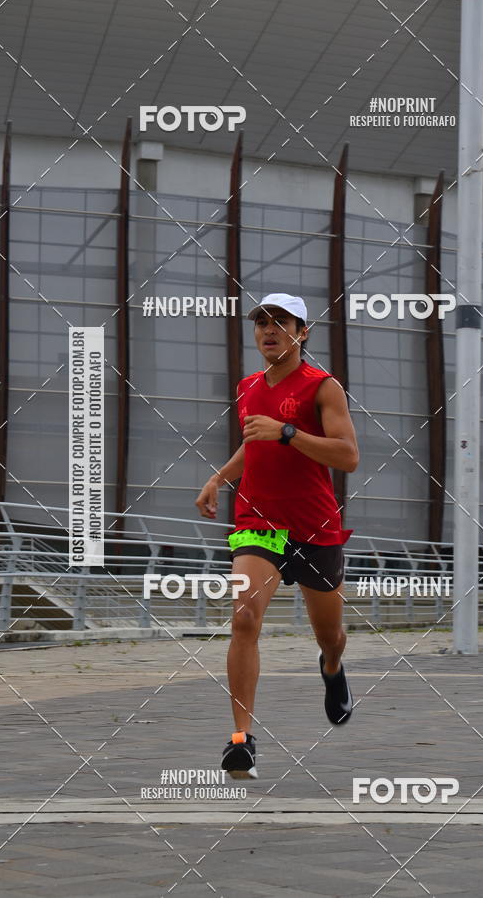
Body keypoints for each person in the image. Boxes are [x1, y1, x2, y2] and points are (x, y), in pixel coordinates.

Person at [195, 293, 359, 779]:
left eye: (280, 323)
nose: (268, 331)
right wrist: (219, 478)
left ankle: (331, 667)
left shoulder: (323, 388)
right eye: (261, 323)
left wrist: (288, 432)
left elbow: (347, 456)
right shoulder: (247, 386)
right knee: (244, 618)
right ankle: (240, 739)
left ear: (302, 332)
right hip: (259, 525)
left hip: (314, 528)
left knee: (330, 635)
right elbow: (255, 446)